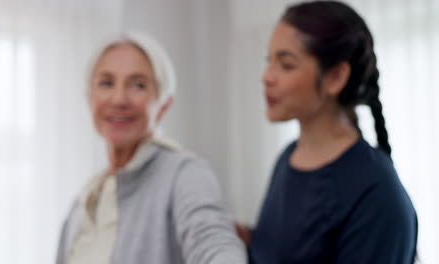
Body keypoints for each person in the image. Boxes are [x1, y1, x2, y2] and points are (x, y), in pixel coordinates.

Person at [240, 1, 417, 263]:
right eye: (269, 61)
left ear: (335, 77)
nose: (266, 77)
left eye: (286, 65)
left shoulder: (377, 195)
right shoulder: (288, 159)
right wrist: (243, 239)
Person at [56, 32, 246, 264]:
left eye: (138, 85)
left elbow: (213, 241)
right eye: (106, 83)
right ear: (90, 98)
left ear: (164, 104)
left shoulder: (184, 174)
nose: (119, 99)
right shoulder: (85, 202)